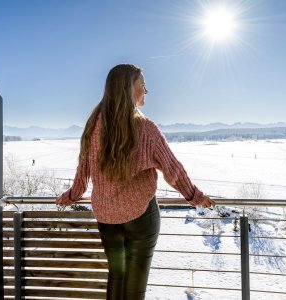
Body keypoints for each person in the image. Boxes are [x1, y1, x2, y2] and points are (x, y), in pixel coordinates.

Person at [56, 64, 215, 300]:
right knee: (134, 286)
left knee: (116, 277)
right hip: (142, 216)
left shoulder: (92, 126)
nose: (146, 91)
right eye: (143, 85)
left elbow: (82, 172)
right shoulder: (145, 128)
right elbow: (173, 170)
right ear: (128, 89)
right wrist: (195, 196)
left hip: (106, 217)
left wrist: (70, 196)